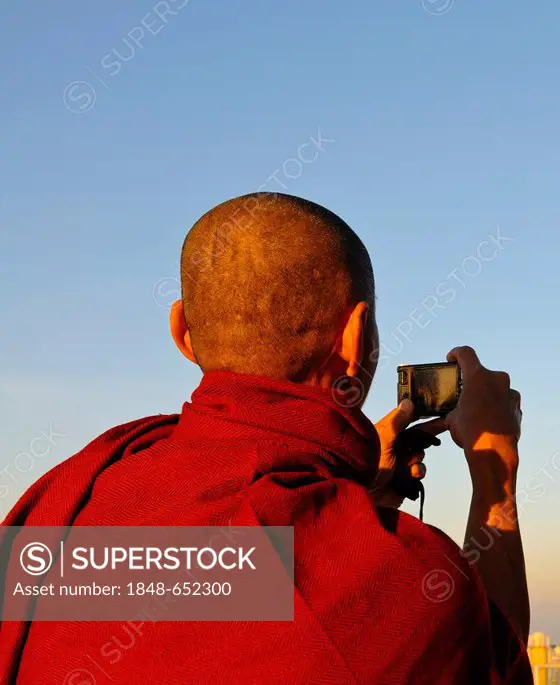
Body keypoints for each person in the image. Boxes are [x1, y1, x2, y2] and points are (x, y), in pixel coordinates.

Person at [0, 193, 532, 684]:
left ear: (182, 332)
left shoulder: (79, 488)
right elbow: (495, 661)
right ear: (357, 337)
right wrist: (495, 479)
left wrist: (347, 492)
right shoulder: (398, 587)